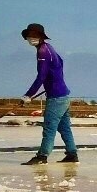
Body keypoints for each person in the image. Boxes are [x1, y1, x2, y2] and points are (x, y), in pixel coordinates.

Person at [20, 24, 78, 165]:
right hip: (63, 95)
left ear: (40, 36)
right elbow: (61, 63)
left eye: (34, 35)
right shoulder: (49, 48)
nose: (31, 38)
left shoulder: (43, 52)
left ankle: (42, 156)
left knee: (49, 128)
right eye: (29, 36)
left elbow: (41, 76)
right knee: (64, 127)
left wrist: (28, 95)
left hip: (56, 97)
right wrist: (56, 80)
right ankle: (72, 154)